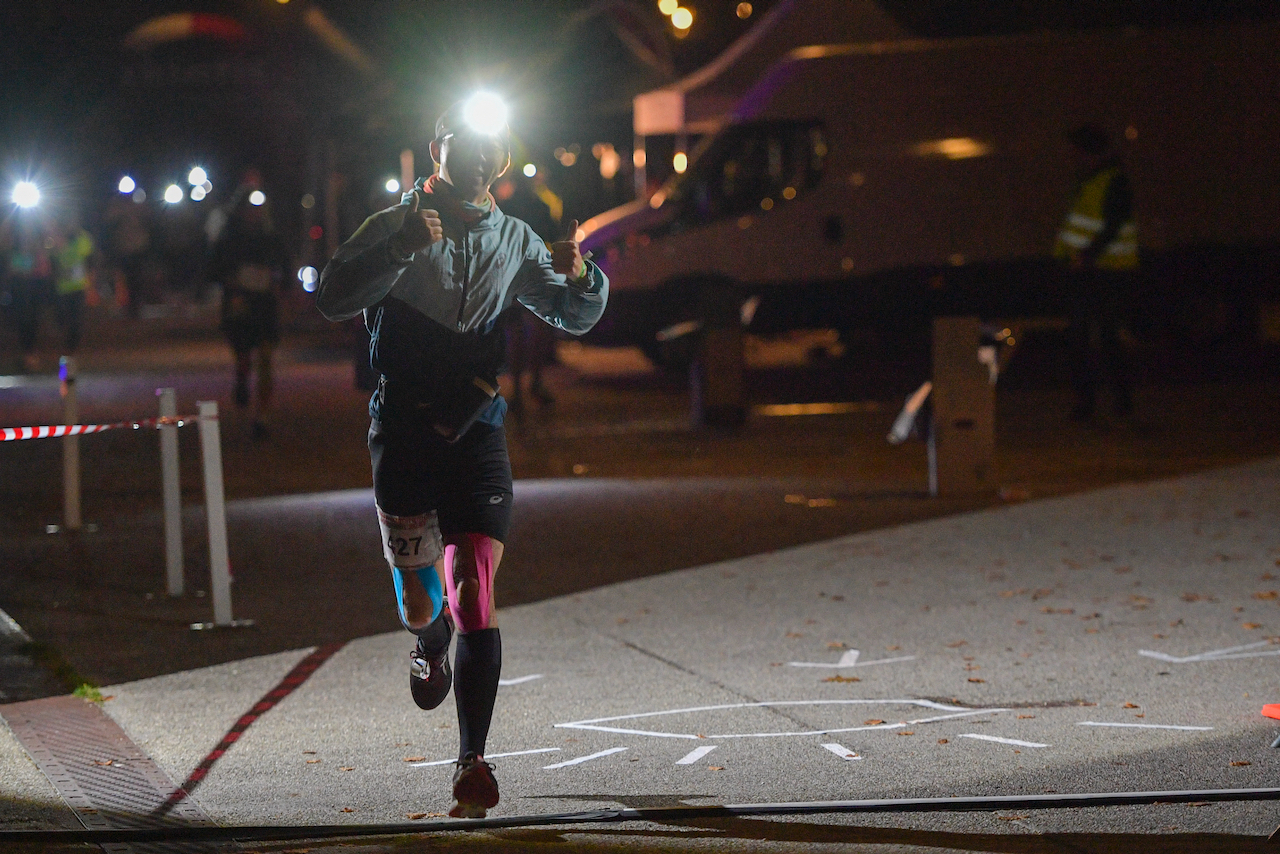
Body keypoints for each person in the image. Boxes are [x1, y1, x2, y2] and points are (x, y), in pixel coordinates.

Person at [315, 94, 607, 818]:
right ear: (437, 147)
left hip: (476, 427)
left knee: (475, 584)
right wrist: (400, 247)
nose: (478, 156)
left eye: (491, 145)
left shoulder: (515, 239)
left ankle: (470, 760)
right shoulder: (397, 223)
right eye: (462, 142)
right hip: (403, 431)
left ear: (501, 158)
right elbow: (331, 296)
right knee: (423, 599)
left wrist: (579, 278)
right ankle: (428, 639)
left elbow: (574, 316)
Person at [1053, 123, 1139, 421]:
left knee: (1104, 339)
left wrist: (1086, 256)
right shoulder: (1090, 179)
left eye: (1076, 151)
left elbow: (1113, 225)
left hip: (1106, 273)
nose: (1072, 156)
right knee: (1084, 339)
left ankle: (1117, 403)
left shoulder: (1111, 181)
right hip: (1088, 271)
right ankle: (1092, 404)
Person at [209, 187, 291, 438]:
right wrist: (231, 282)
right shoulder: (229, 238)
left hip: (264, 303)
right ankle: (242, 379)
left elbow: (285, 265)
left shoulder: (272, 237)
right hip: (240, 303)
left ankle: (262, 416)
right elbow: (214, 268)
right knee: (244, 355)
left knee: (266, 358)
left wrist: (283, 284)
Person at [493, 170, 560, 412]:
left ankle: (519, 390)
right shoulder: (541, 207)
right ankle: (535, 383)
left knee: (516, 334)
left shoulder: (505, 207)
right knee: (540, 331)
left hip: (511, 275)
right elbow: (553, 239)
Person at [53, 213, 96, 354]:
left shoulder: (84, 238)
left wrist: (91, 280)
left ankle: (71, 348)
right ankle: (65, 345)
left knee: (76, 319)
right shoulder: (56, 237)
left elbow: (90, 259)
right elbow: (52, 258)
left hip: (78, 285)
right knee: (63, 318)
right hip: (62, 287)